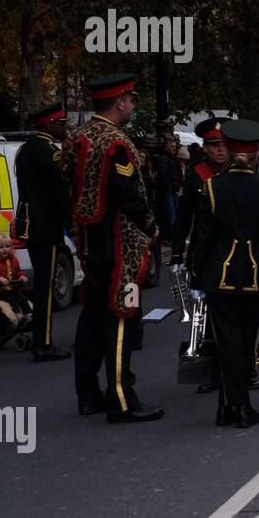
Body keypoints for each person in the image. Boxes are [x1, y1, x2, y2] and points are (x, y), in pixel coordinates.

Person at [60, 74, 163, 422]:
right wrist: (151, 224)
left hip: (88, 242)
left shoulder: (77, 136)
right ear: (120, 102)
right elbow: (129, 194)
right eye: (131, 100)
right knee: (122, 312)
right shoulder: (116, 143)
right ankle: (121, 397)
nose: (133, 105)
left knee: (91, 316)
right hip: (120, 243)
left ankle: (87, 394)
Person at [189, 120, 259, 427]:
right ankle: (238, 406)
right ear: (256, 152)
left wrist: (195, 275)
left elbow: (202, 240)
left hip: (219, 276)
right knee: (243, 342)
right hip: (255, 275)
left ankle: (230, 406)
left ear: (227, 150)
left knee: (227, 343)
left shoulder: (212, 187)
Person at [172, 118, 233, 395]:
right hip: (204, 251)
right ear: (205, 148)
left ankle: (243, 369)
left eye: (223, 145)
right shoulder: (195, 173)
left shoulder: (238, 170)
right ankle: (210, 371)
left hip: (235, 249)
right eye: (213, 145)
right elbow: (184, 216)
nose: (219, 150)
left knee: (238, 312)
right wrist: (175, 253)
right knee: (204, 314)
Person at [13, 102, 72, 360]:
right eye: (61, 123)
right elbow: (59, 192)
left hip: (30, 223)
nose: (64, 128)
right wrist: (71, 224)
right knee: (45, 287)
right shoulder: (50, 151)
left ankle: (41, 338)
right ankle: (43, 343)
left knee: (42, 284)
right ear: (49, 125)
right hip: (45, 225)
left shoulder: (26, 149)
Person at [0, 232, 32, 330]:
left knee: (22, 299)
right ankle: (19, 316)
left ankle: (29, 315)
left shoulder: (13, 260)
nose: (5, 249)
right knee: (11, 301)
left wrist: (22, 277)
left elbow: (18, 272)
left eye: (7, 246)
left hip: (11, 289)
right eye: (1, 247)